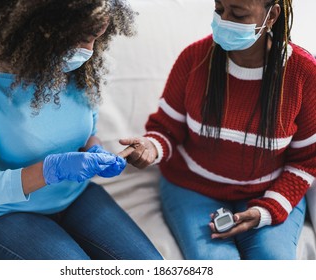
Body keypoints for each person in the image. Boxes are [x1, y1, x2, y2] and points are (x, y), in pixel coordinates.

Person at [0, 0, 163, 260]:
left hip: (77, 195)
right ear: (41, 27)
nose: (90, 50)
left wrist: (96, 150)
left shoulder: (78, 68)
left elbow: (87, 131)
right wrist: (53, 169)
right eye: (83, 38)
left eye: (96, 38)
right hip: (8, 213)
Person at [119, 0, 316, 260]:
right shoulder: (194, 60)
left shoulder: (303, 73)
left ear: (272, 16)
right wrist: (149, 147)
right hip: (192, 187)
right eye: (219, 9)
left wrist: (267, 210)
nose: (223, 21)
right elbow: (166, 130)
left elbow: (306, 160)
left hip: (267, 190)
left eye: (238, 13)